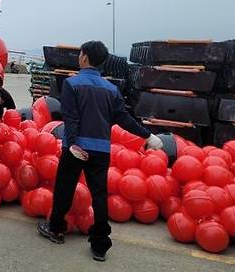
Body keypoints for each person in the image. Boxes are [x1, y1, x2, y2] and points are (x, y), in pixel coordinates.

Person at [37, 40, 163, 262]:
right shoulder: (110, 89)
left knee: (65, 188)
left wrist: (74, 143)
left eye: (80, 54)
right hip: (101, 150)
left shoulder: (71, 84)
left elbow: (71, 118)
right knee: (99, 195)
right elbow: (123, 118)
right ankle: (100, 245)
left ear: (84, 57)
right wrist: (148, 135)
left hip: (75, 148)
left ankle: (56, 229)